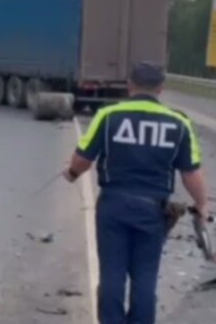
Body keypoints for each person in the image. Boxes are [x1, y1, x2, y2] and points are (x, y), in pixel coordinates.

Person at [63, 61, 210, 324]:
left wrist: (71, 174)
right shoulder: (179, 123)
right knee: (145, 278)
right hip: (154, 211)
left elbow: (82, 161)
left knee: (112, 275)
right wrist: (202, 206)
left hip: (113, 207)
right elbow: (191, 174)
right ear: (161, 89)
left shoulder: (108, 116)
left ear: (130, 85)